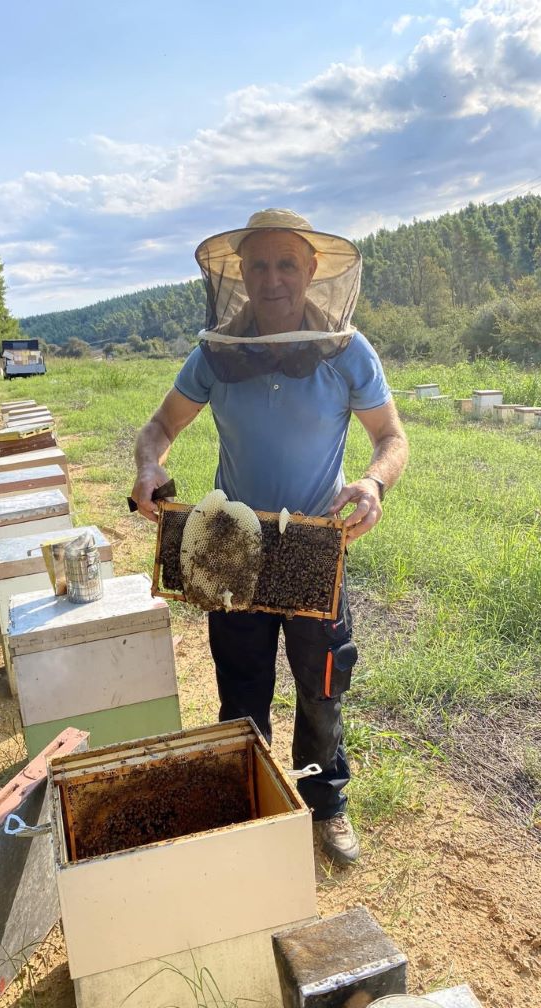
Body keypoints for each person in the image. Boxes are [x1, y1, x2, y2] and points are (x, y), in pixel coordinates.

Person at [131, 209, 408, 865]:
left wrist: (372, 485)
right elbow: (158, 429)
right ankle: (247, 801)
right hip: (234, 549)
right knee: (242, 689)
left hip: (316, 546)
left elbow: (391, 439)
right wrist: (148, 466)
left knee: (321, 691)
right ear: (238, 275)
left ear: (312, 271)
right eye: (259, 264)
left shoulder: (348, 350)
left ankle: (326, 806)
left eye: (288, 263)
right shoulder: (214, 354)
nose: (274, 277)